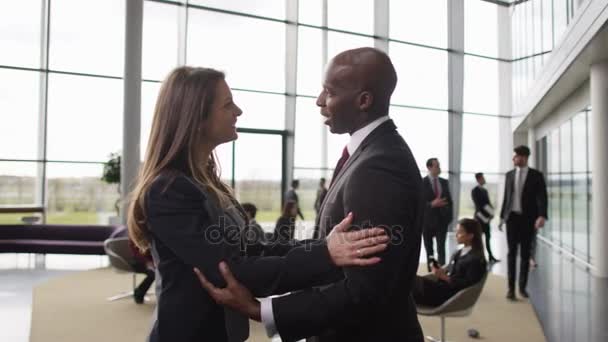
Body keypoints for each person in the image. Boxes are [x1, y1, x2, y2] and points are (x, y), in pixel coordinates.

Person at [126, 66, 389, 342]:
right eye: (227, 105)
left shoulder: (209, 183)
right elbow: (231, 269)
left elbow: (255, 247)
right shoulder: (168, 190)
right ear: (196, 118)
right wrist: (325, 255)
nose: (238, 111)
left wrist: (325, 248)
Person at [195, 47, 425, 342]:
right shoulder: (370, 155)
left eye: (328, 92)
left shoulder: (379, 166)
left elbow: (364, 290)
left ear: (363, 100)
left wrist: (261, 310)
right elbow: (331, 250)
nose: (319, 101)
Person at [499, 145, 548, 300]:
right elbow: (506, 198)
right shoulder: (509, 175)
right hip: (512, 219)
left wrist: (542, 216)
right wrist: (501, 217)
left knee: (526, 254)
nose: (513, 159)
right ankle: (510, 289)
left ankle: (522, 287)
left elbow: (542, 197)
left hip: (528, 220)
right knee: (511, 253)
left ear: (524, 157)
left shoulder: (536, 176)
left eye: (516, 156)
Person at [413, 218, 487, 307]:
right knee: (408, 281)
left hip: (450, 296)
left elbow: (468, 284)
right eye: (456, 231)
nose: (456, 235)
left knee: (408, 285)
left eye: (460, 232)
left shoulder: (477, 259)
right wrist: (440, 272)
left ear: (470, 235)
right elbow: (451, 272)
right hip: (442, 288)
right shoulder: (459, 252)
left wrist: (445, 277)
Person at [422, 158, 453, 270]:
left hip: (442, 221)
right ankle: (431, 273)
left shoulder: (444, 182)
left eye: (439, 165)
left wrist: (449, 218)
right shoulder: (421, 182)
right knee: (429, 250)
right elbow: (418, 204)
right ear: (429, 167)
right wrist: (431, 204)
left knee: (441, 249)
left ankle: (442, 274)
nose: (439, 168)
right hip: (427, 223)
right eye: (436, 166)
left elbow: (450, 202)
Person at [471, 172, 500, 263]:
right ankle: (479, 258)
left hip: (486, 219)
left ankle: (490, 256)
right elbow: (478, 206)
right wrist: (485, 217)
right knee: (478, 239)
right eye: (483, 178)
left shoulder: (485, 191)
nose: (484, 180)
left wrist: (492, 214)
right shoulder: (475, 190)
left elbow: (488, 204)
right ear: (478, 179)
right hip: (479, 218)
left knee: (488, 237)